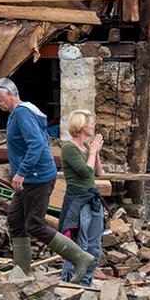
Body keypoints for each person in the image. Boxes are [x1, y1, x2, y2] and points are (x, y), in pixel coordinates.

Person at [0, 78, 95, 282]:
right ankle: (21, 273)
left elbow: (37, 144)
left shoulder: (22, 113)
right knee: (15, 220)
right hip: (29, 179)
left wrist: (21, 172)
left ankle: (81, 257)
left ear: (11, 94)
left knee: (34, 224)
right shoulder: (18, 113)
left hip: (36, 178)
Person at [57, 109, 105, 287]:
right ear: (81, 126)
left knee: (94, 246)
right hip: (78, 200)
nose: (93, 126)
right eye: (90, 123)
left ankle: (85, 284)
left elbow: (99, 172)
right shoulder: (69, 148)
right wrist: (92, 152)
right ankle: (69, 283)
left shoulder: (86, 148)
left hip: (92, 199)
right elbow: (85, 172)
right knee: (79, 245)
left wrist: (96, 152)